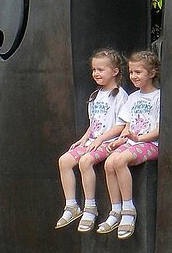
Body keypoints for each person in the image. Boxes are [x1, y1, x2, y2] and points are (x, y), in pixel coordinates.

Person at [55, 49, 128, 233]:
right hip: (93, 141)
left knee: (86, 161)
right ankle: (72, 205)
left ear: (115, 71)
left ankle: (90, 206)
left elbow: (121, 125)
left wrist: (101, 139)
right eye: (94, 69)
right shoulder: (94, 96)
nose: (96, 73)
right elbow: (93, 124)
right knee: (64, 161)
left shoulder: (120, 95)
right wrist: (83, 139)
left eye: (101, 69)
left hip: (108, 143)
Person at [97, 49, 160, 240]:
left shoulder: (159, 97)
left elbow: (160, 128)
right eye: (131, 72)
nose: (133, 76)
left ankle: (128, 209)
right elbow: (127, 126)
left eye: (138, 72)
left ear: (152, 73)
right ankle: (115, 210)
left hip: (150, 144)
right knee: (109, 163)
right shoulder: (132, 98)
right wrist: (119, 140)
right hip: (132, 142)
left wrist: (140, 139)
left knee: (120, 160)